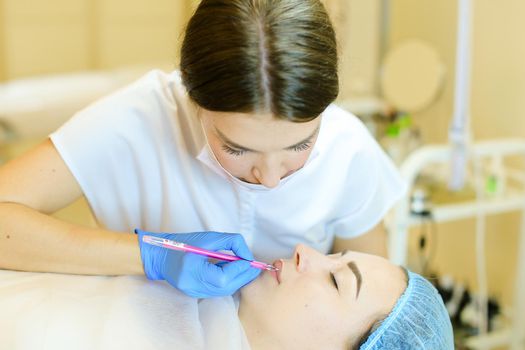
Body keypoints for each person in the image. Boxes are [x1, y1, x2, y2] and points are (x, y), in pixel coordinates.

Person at [0, 0, 406, 298]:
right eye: (237, 148)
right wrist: (150, 256)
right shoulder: (139, 118)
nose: (270, 178)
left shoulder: (348, 149)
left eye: (300, 144)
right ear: (192, 97)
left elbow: (373, 300)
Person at [0, 243, 453, 350]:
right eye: (335, 255)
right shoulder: (196, 294)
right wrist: (145, 254)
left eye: (337, 280)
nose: (304, 251)